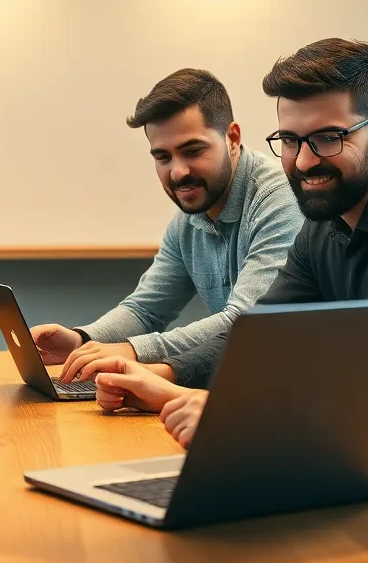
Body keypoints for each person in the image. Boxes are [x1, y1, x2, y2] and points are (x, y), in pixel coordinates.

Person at [79, 38, 368, 410]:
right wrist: (163, 376)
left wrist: (220, 407)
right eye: (290, 140)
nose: (304, 162)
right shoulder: (323, 218)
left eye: (328, 138)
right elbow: (263, 333)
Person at [29, 68, 302, 382]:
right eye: (162, 157)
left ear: (233, 138)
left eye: (193, 151)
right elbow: (146, 308)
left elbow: (246, 322)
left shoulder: (280, 199)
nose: (177, 172)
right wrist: (83, 340)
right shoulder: (189, 216)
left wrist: (131, 350)